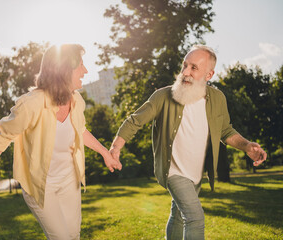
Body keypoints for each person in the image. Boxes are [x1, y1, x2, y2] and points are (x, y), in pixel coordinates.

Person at [109, 45, 267, 240]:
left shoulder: (217, 98)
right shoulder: (163, 96)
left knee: (178, 217)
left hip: (196, 174)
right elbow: (135, 121)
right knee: (194, 217)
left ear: (209, 75)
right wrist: (116, 147)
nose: (185, 72)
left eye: (193, 68)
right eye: (185, 65)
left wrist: (246, 145)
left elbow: (225, 130)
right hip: (173, 171)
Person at [0, 44, 122, 240]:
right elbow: (3, 135)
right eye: (81, 65)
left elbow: (80, 130)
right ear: (65, 70)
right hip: (40, 186)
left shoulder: (77, 101)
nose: (86, 70)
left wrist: (105, 153)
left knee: (73, 235)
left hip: (69, 180)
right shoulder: (31, 104)